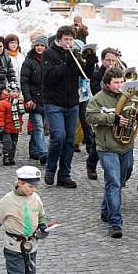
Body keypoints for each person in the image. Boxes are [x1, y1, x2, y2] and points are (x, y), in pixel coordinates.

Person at [87, 68, 137, 239]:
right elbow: (90, 117)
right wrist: (113, 119)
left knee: (119, 181)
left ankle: (105, 209)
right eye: (116, 82)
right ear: (108, 84)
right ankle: (115, 222)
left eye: (121, 81)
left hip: (126, 146)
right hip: (107, 147)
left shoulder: (131, 96)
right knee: (114, 182)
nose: (119, 85)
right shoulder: (98, 99)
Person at [41, 25, 83, 188]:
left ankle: (64, 174)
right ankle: (50, 169)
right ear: (59, 39)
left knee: (70, 140)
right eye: (66, 39)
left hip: (72, 102)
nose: (68, 42)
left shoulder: (75, 54)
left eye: (71, 39)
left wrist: (88, 61)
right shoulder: (49, 54)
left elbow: (84, 75)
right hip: (53, 102)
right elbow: (50, 78)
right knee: (58, 136)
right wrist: (66, 63)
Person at [21, 36, 47, 164]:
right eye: (38, 45)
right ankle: (43, 153)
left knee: (40, 126)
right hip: (34, 99)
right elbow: (24, 81)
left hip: (47, 99)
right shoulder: (29, 61)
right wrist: (28, 98)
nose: (40, 48)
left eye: (42, 45)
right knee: (39, 127)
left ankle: (33, 150)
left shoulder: (49, 61)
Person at [0, 81, 25, 166]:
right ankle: (6, 156)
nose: (15, 94)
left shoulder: (20, 103)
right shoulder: (2, 103)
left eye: (16, 92)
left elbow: (23, 110)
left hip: (16, 127)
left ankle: (11, 157)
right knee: (7, 142)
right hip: (6, 127)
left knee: (14, 143)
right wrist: (1, 125)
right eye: (13, 92)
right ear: (8, 92)